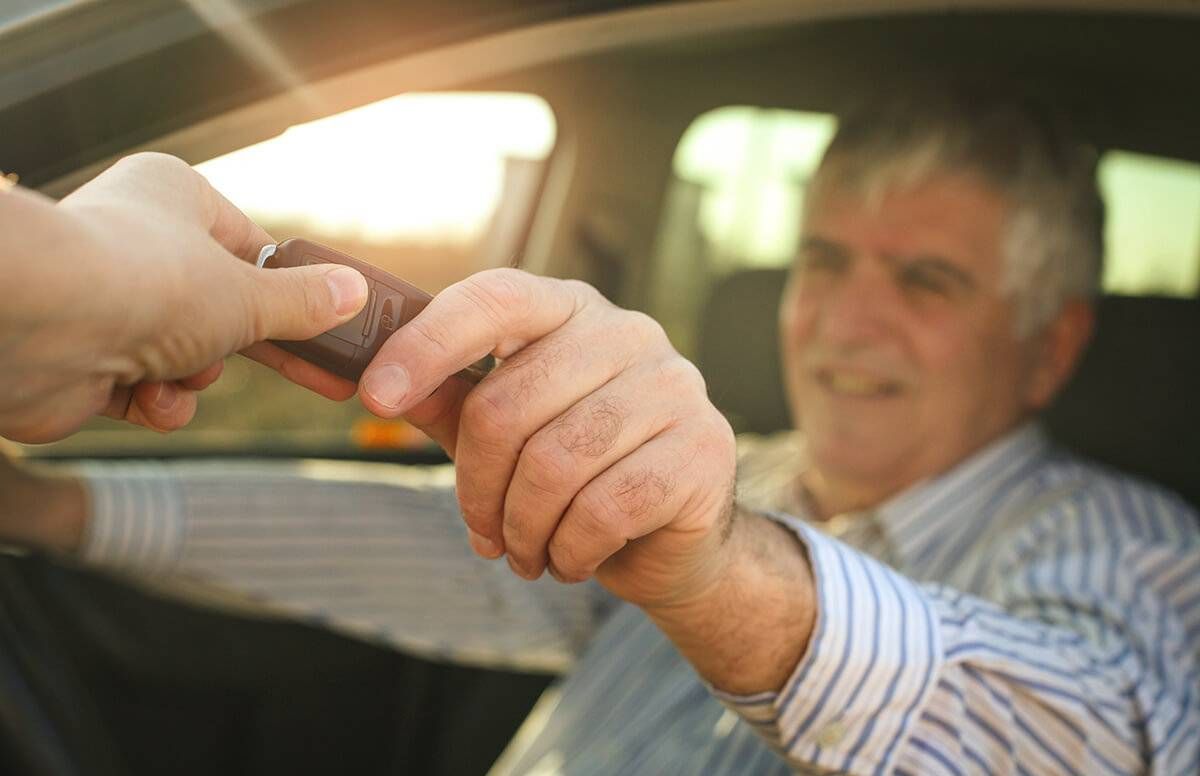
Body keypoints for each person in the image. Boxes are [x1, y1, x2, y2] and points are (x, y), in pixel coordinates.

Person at [3, 90, 1198, 774]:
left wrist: (722, 575)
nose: (845, 317)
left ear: (1049, 343)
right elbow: (414, 543)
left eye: (927, 281)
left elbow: (1101, 735)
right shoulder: (746, 467)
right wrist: (45, 507)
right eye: (824, 258)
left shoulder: (1134, 546)